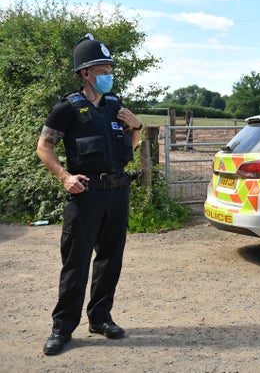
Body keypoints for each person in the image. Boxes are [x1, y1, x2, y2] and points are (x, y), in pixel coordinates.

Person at [36, 34, 143, 356]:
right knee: (76, 262)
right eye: (103, 67)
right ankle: (62, 328)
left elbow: (130, 149)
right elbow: (45, 147)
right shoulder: (67, 109)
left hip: (117, 193)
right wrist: (64, 177)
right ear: (86, 73)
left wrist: (136, 127)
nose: (109, 72)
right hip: (86, 195)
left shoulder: (116, 107)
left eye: (110, 67)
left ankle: (100, 318)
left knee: (111, 259)